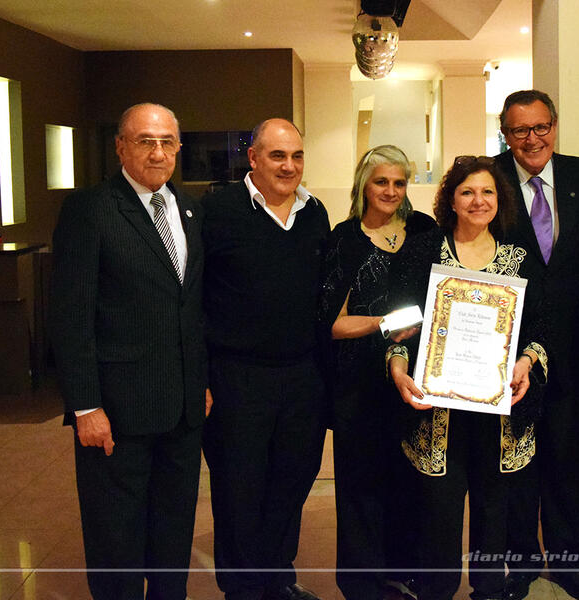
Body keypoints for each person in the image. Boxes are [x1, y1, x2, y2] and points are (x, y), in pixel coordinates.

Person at [49, 102, 208, 599]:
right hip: (116, 412)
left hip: (181, 412)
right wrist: (85, 405)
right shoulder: (90, 210)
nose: (158, 152)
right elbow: (70, 316)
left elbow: (188, 307)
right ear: (121, 146)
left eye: (167, 142)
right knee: (115, 539)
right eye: (145, 141)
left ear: (178, 148)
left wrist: (197, 382)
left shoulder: (187, 208)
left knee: (171, 535)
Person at [386, 156, 549, 600]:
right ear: (451, 200)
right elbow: (398, 318)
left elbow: (539, 325)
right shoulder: (424, 250)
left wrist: (527, 362)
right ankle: (436, 590)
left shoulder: (518, 256)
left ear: (501, 200)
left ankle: (489, 590)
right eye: (467, 192)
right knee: (438, 511)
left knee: (494, 511)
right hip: (437, 412)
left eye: (488, 192)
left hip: (498, 414)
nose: (479, 201)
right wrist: (397, 363)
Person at [201, 118, 330, 600]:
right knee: (239, 493)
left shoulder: (314, 213)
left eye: (297, 156)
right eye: (278, 156)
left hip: (301, 378)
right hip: (238, 379)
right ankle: (242, 590)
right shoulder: (217, 212)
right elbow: (191, 299)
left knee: (291, 483)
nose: (289, 166)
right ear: (252, 158)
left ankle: (278, 578)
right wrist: (201, 376)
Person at [494, 90, 579, 600]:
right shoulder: (488, 179)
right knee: (515, 456)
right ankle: (517, 563)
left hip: (575, 345)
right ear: (506, 133)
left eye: (541, 128)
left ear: (554, 127)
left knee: (568, 453)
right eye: (520, 131)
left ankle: (567, 560)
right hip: (509, 349)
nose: (532, 139)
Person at [320, 145, 436, 600]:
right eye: (381, 181)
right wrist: (383, 323)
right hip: (359, 384)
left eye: (399, 182)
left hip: (414, 377)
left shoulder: (426, 231)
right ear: (364, 185)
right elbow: (331, 324)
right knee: (362, 485)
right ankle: (362, 582)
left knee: (410, 480)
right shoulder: (344, 238)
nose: (390, 191)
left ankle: (403, 571)